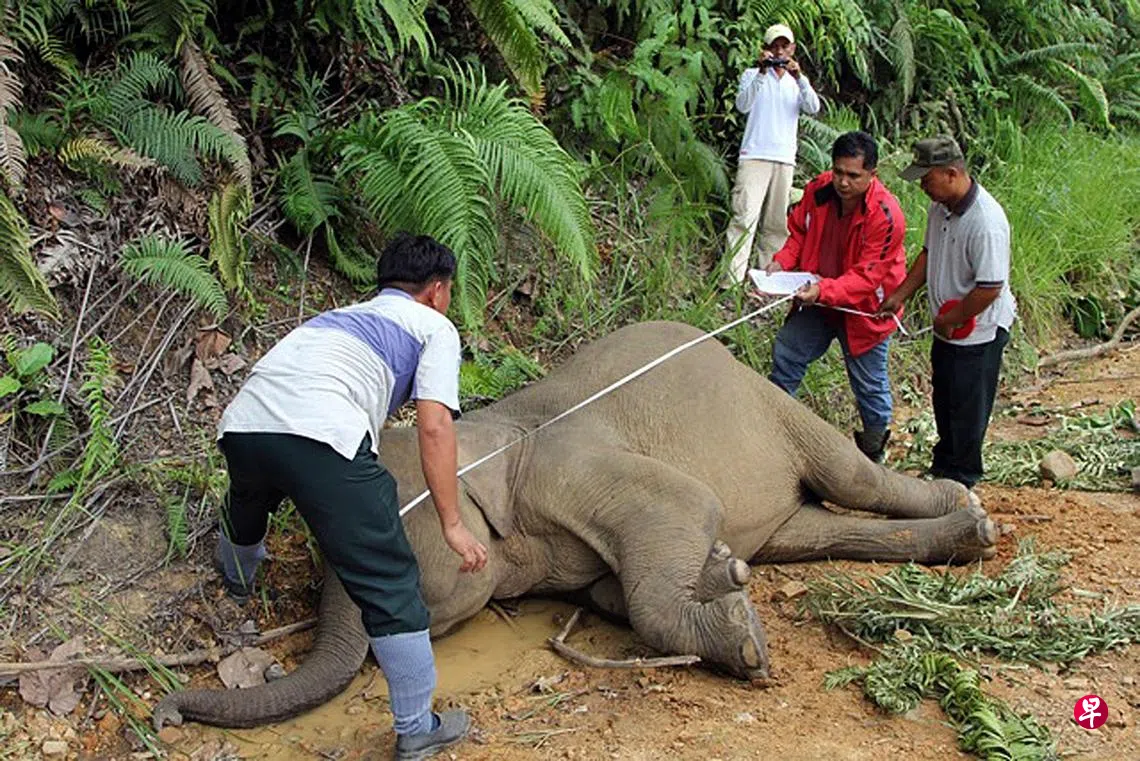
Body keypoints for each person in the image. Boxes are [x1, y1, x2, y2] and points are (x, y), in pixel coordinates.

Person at [213, 232, 486, 760]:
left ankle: (234, 590)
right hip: (321, 436)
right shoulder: (434, 326)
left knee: (246, 506)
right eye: (448, 291)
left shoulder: (338, 318)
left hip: (243, 425)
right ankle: (417, 728)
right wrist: (452, 523)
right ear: (437, 290)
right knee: (390, 581)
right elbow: (434, 427)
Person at [878, 135, 1017, 488]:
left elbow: (990, 288)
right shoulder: (940, 208)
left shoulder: (986, 223)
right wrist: (901, 294)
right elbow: (929, 254)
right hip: (948, 325)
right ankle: (943, 466)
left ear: (952, 174)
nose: (922, 186)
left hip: (978, 329)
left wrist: (952, 318)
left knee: (968, 406)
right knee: (944, 395)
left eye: (927, 179)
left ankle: (962, 478)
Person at [761, 131, 907, 463]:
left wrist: (823, 291)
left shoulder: (886, 215)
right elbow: (798, 232)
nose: (843, 182)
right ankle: (772, 428)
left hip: (865, 309)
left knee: (869, 385)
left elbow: (867, 277)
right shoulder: (819, 189)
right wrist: (782, 262)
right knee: (787, 352)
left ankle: (873, 451)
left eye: (853, 175)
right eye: (838, 171)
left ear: (872, 174)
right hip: (818, 296)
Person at [721, 22, 821, 288]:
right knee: (744, 218)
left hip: (784, 159)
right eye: (774, 46)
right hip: (754, 155)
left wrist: (800, 77)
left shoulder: (796, 82)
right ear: (765, 49)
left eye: (784, 46)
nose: (779, 51)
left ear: (792, 49)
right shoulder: (752, 75)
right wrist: (762, 72)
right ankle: (731, 282)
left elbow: (813, 107)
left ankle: (767, 283)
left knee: (776, 225)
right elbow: (742, 105)